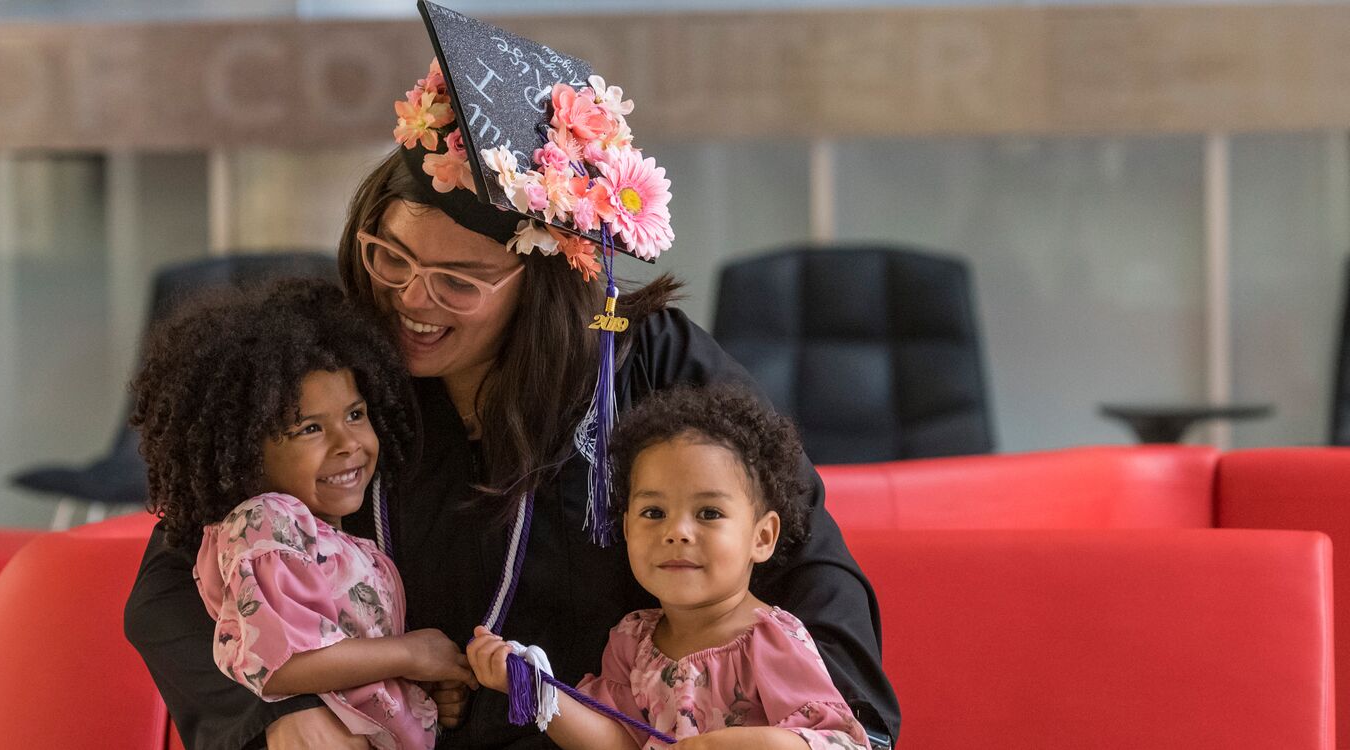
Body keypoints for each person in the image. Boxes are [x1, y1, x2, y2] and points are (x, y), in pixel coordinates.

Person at [125, 41, 899, 750]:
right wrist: (279, 712)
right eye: (389, 257)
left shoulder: (639, 365)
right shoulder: (336, 376)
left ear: (543, 280)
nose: (409, 301)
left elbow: (801, 555)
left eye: (458, 281)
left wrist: (830, 732)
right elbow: (171, 583)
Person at [129, 279, 475, 749]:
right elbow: (279, 664)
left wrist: (415, 690)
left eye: (356, 415)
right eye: (310, 428)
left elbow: (347, 646)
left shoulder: (320, 533)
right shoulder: (264, 528)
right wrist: (409, 655)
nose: (349, 444)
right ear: (248, 452)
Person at [467, 384, 870, 749]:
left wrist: (724, 746)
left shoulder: (770, 641)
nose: (676, 531)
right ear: (626, 528)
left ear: (761, 537)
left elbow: (837, 743)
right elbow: (618, 743)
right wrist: (533, 688)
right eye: (654, 512)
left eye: (709, 513)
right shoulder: (631, 642)